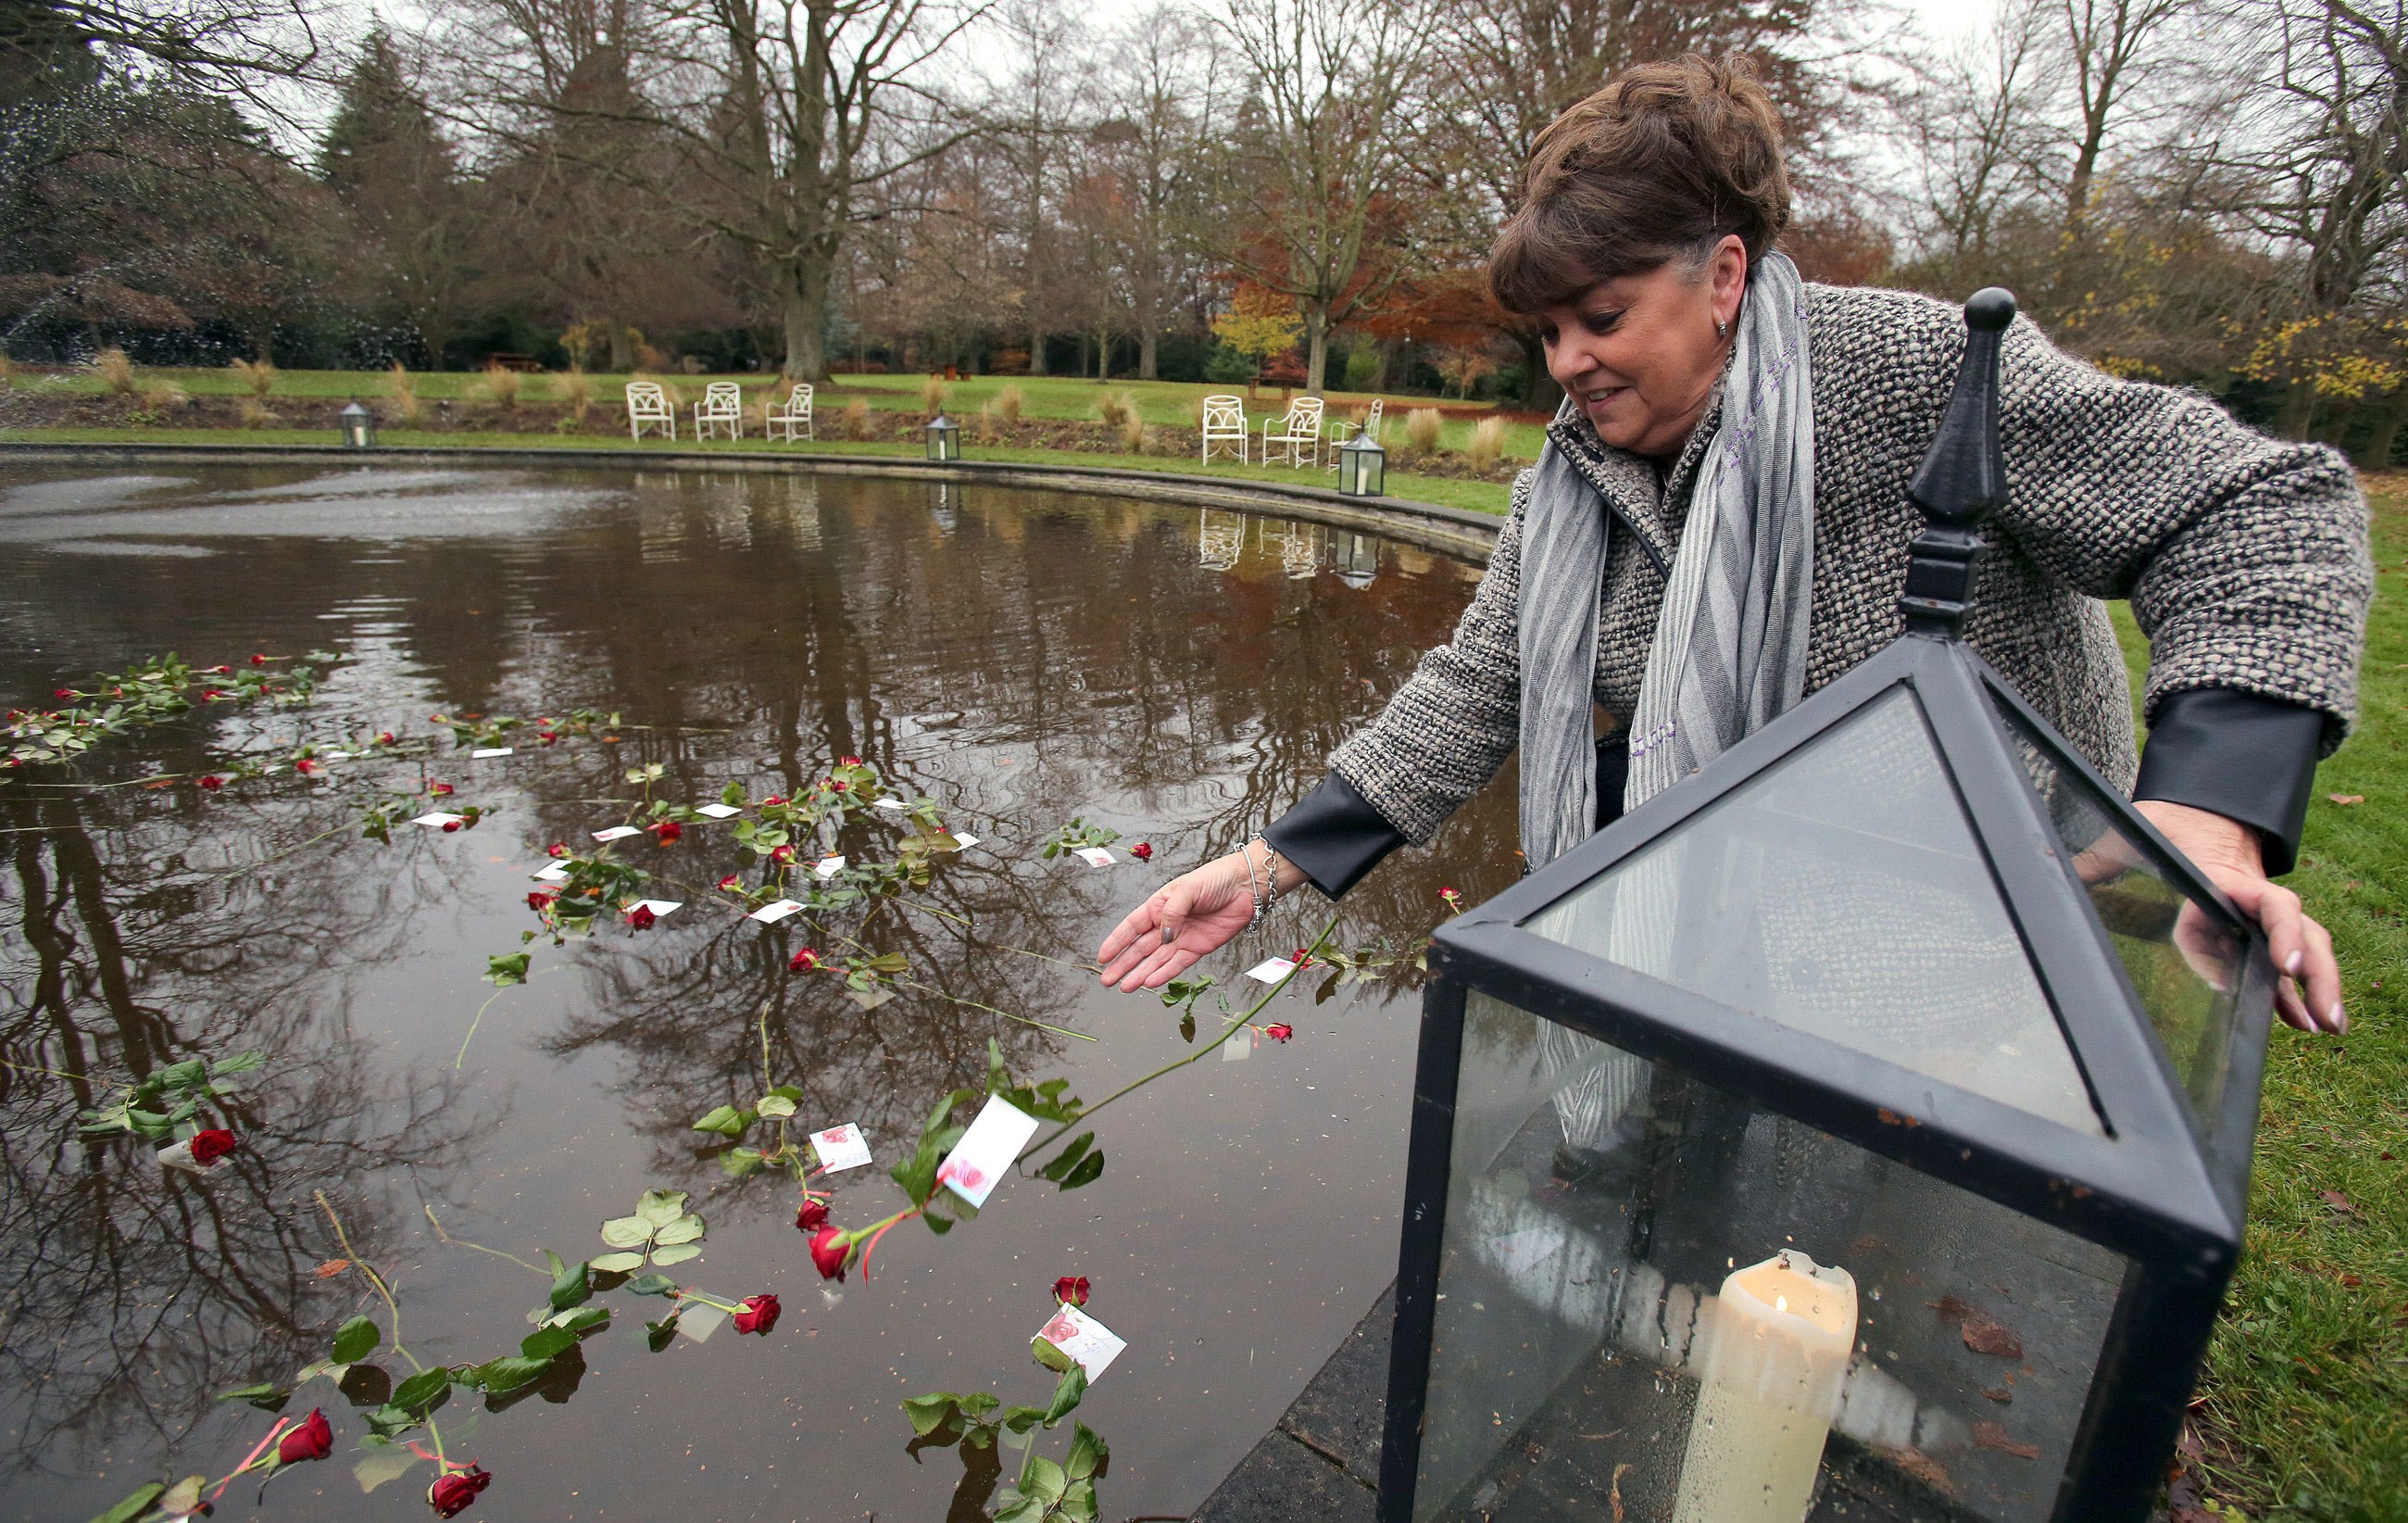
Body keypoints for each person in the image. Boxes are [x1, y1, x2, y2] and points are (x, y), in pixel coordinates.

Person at [1097, 55, 2369, 1040]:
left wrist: (2203, 825)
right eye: (1545, 334)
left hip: (1998, 961)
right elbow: (1477, 685)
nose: (1568, 364)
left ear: (1722, 275)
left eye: (1601, 317)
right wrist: (1266, 870)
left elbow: (2262, 511)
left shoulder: (1907, 374)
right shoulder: (1578, 470)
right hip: (1737, 946)